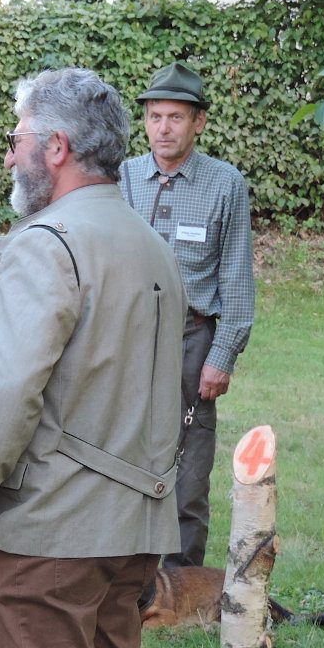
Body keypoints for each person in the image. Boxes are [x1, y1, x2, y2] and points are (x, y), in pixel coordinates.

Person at [0, 67, 187, 648]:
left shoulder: (47, 245)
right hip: (135, 524)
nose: (8, 155)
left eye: (16, 139)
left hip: (56, 530)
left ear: (54, 147)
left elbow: (9, 390)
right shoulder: (152, 247)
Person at [118, 61, 254, 568]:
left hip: (192, 339)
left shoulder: (225, 184)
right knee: (122, 449)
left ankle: (183, 582)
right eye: (155, 117)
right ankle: (123, 568)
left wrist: (221, 357)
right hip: (128, 338)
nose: (163, 129)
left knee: (190, 463)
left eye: (175, 117)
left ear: (198, 122)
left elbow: (237, 283)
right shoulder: (125, 177)